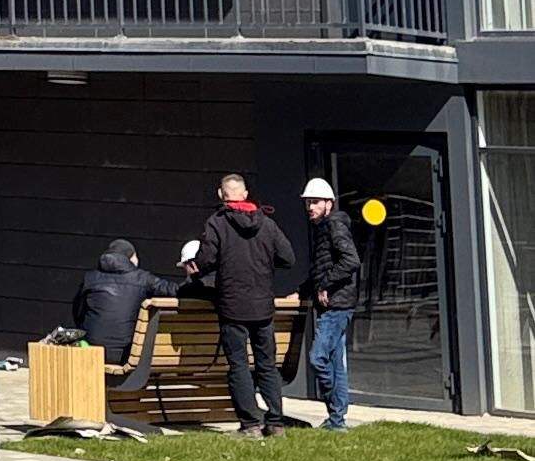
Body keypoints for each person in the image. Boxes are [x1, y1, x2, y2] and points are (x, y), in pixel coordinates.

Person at [188, 172, 302, 434]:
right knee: (267, 365)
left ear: (221, 195)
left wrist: (197, 270)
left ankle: (250, 424)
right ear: (246, 194)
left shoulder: (217, 223)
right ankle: (275, 422)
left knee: (239, 366)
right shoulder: (267, 223)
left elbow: (205, 261)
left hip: (232, 306)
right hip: (263, 306)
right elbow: (288, 258)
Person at [301, 175, 362, 430]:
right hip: (334, 304)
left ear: (329, 203)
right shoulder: (324, 228)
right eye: (308, 202)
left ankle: (335, 409)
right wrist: (304, 291)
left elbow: (351, 260)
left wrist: (325, 285)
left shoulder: (334, 226)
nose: (310, 207)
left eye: (315, 202)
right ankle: (337, 420)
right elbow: (322, 268)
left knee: (318, 358)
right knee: (336, 363)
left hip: (337, 305)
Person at [71, 236, 176, 363]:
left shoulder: (90, 278)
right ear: (131, 258)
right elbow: (174, 290)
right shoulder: (143, 279)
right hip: (125, 355)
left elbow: (78, 311)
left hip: (92, 352)